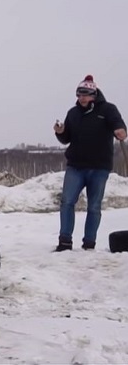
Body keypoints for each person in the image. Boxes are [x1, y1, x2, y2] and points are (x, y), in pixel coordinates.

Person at [53, 74, 127, 251]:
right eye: (79, 94)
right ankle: (65, 241)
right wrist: (61, 132)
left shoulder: (108, 109)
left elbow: (119, 126)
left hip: (99, 167)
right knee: (67, 202)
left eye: (85, 94)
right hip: (76, 166)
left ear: (94, 94)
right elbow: (66, 139)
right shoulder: (73, 113)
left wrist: (121, 131)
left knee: (94, 206)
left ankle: (89, 243)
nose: (81, 98)